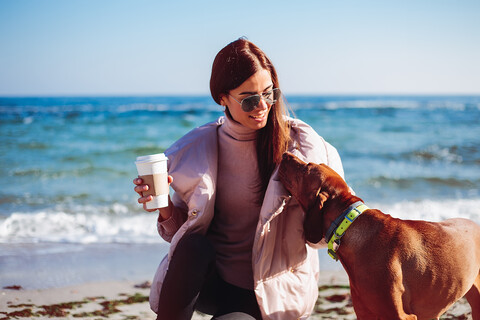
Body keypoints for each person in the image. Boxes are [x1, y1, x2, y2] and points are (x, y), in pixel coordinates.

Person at [133, 38, 346, 320]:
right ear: (222, 98)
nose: (262, 106)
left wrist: (313, 203)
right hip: (214, 282)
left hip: (266, 293)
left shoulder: (302, 149)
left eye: (269, 94)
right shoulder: (200, 149)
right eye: (248, 99)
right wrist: (162, 207)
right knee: (193, 246)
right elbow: (179, 237)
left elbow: (323, 239)